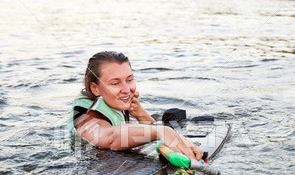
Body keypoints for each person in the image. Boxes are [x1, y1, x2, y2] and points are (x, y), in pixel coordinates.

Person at [70, 51, 202, 161]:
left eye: (129, 80)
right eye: (115, 83)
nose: (127, 89)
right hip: (87, 161)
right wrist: (162, 131)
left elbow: (143, 130)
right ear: (95, 89)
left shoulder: (115, 102)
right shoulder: (86, 113)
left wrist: (140, 114)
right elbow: (109, 137)